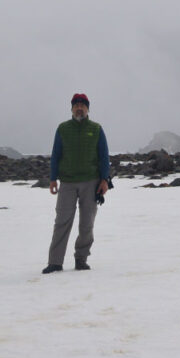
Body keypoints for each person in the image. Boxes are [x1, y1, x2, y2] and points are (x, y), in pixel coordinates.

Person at [42, 93, 110, 274]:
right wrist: (52, 178)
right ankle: (55, 262)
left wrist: (105, 180)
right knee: (62, 221)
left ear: (88, 108)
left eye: (83, 105)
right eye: (76, 105)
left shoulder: (96, 129)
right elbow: (56, 155)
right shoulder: (63, 129)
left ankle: (81, 259)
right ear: (71, 108)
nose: (79, 108)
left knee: (87, 223)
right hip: (68, 182)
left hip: (91, 182)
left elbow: (104, 156)